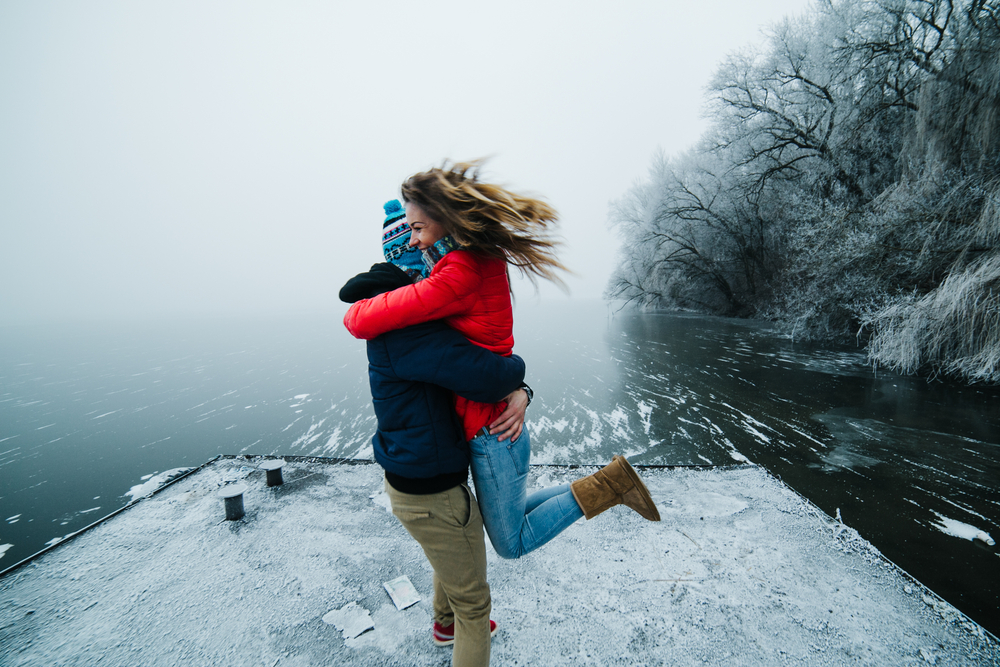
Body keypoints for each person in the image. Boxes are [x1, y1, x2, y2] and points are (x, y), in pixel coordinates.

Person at [345, 163, 660, 563]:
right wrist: (520, 389)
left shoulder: (457, 273)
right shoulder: (474, 261)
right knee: (518, 511)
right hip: (492, 423)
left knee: (512, 543)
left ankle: (611, 486)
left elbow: (358, 320)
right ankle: (608, 481)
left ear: (446, 219)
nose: (416, 240)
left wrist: (518, 387)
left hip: (489, 430)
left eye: (419, 228)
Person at [340, 202, 527, 667]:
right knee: (475, 606)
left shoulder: (396, 319)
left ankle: (444, 627)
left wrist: (518, 387)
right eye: (424, 254)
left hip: (417, 475)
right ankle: (457, 627)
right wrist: (519, 380)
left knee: (453, 555)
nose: (432, 263)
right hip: (432, 488)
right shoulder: (409, 330)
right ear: (411, 262)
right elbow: (485, 374)